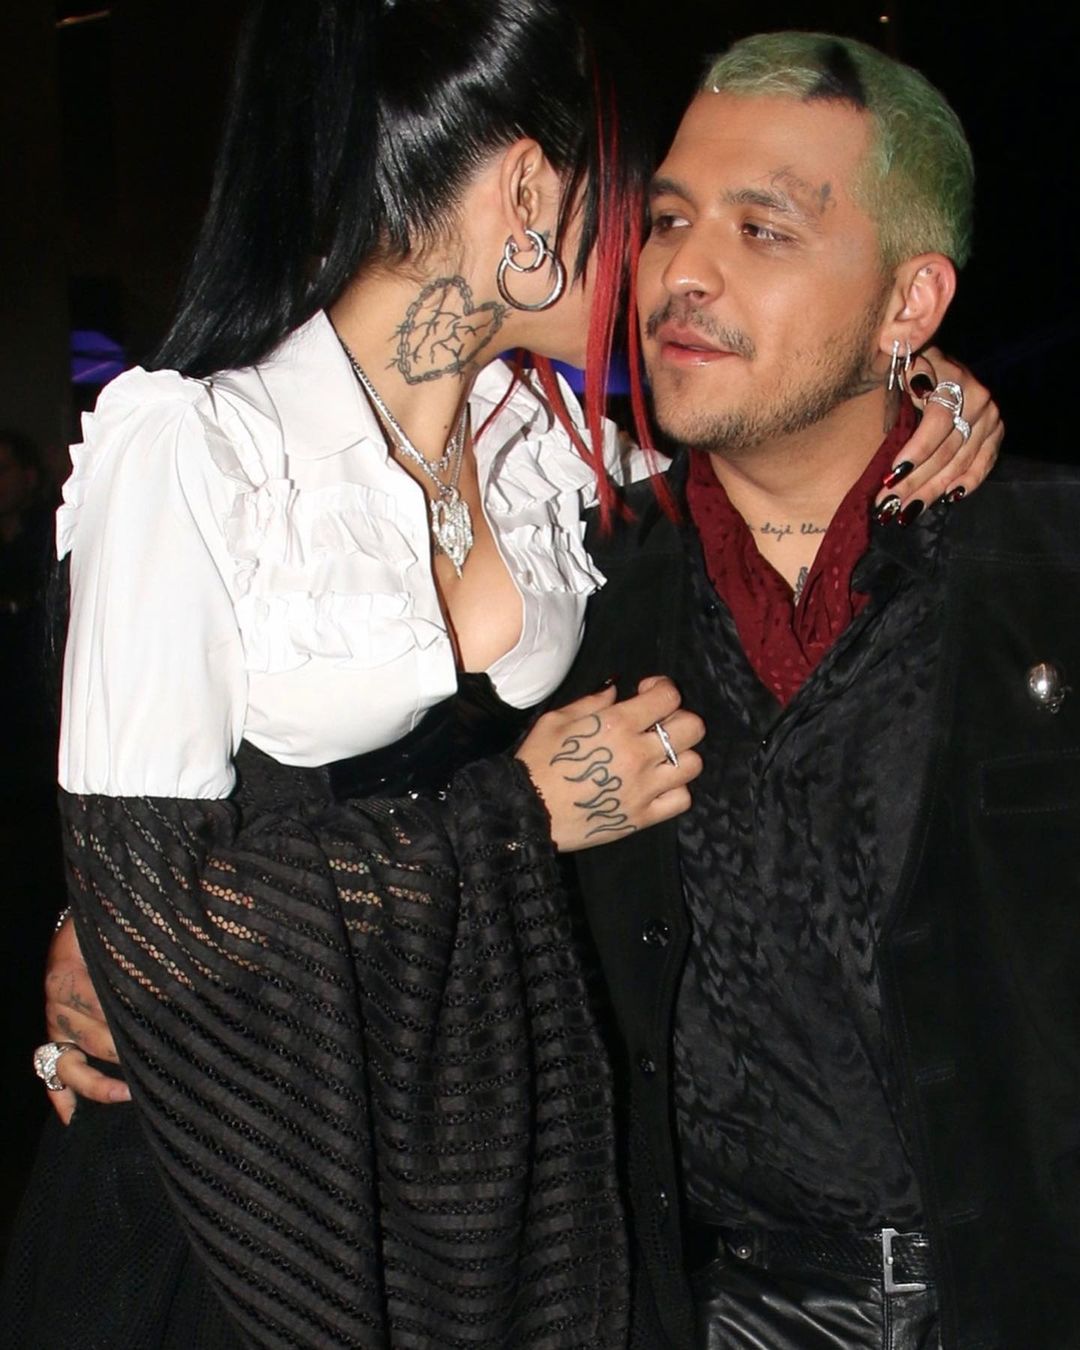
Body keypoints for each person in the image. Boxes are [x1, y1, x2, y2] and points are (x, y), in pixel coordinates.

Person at [9, 9, 1000, 1350]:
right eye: (645, 211)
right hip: (253, 1213)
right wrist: (517, 815)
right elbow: (152, 927)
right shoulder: (200, 453)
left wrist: (922, 379)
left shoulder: (546, 448)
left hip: (482, 1209)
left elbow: (776, 440)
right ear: (531, 194)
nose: (662, 265)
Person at [559, 31, 1074, 1350]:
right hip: (711, 1306)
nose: (683, 270)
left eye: (763, 229)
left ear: (910, 305)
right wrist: (117, 922)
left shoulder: (1047, 566)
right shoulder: (577, 593)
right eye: (668, 218)